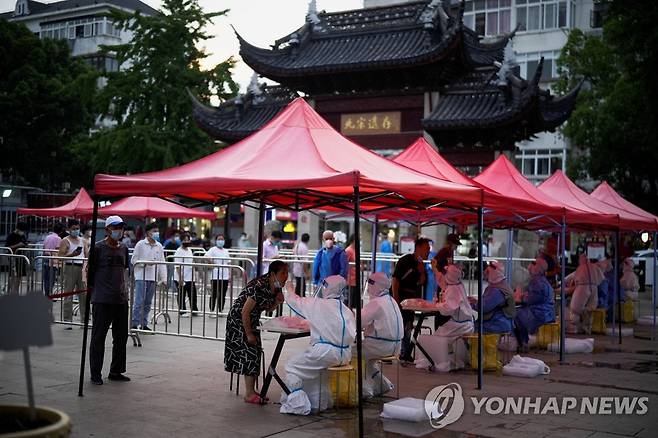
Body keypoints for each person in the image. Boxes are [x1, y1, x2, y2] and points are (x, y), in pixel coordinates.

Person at [281, 275, 356, 414]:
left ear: (326, 288)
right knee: (315, 371)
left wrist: (290, 289)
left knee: (292, 366)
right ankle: (319, 403)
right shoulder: (346, 310)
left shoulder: (318, 304)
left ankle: (298, 405)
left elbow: (294, 301)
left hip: (325, 352)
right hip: (345, 354)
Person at [224, 260, 286, 404]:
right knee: (249, 352)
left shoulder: (277, 287)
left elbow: (268, 308)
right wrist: (249, 334)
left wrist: (277, 302)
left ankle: (251, 391)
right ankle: (249, 394)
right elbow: (245, 312)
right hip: (239, 319)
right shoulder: (259, 285)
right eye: (283, 273)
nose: (286, 276)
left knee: (255, 352)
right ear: (272, 274)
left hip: (252, 320)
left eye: (287, 273)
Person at [89, 215, 131, 385]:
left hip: (120, 299)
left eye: (121, 228)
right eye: (115, 228)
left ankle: (116, 370)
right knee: (98, 337)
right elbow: (90, 272)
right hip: (102, 299)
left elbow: (125, 271)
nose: (119, 231)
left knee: (121, 337)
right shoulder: (98, 248)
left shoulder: (124, 248)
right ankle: (95, 373)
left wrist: (125, 291)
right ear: (107, 230)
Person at [360, 272, 403, 397]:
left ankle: (363, 391)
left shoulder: (376, 303)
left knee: (351, 355)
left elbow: (359, 322)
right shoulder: (392, 301)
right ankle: (383, 385)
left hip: (380, 346)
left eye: (370, 284)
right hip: (396, 347)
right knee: (369, 363)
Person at [392, 237, 430, 363]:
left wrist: (422, 271)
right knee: (400, 325)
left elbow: (421, 282)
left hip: (411, 299)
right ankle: (397, 351)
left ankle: (405, 353)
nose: (428, 252)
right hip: (400, 295)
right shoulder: (404, 260)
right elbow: (395, 280)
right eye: (426, 249)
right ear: (418, 248)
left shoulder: (421, 265)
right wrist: (396, 300)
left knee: (409, 324)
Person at [431, 264, 477, 372]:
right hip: (466, 323)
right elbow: (442, 281)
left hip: (460, 325)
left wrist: (436, 305)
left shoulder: (452, 289)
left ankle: (442, 362)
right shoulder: (458, 285)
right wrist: (435, 269)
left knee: (436, 336)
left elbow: (448, 310)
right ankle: (452, 360)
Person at [514, 258, 555, 351]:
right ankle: (523, 342)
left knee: (515, 314)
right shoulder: (541, 281)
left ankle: (523, 343)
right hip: (546, 313)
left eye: (533, 264)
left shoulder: (537, 282)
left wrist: (520, 297)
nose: (530, 266)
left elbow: (531, 299)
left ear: (538, 268)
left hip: (540, 315)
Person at [131, 223, 166, 330]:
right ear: (148, 232)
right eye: (154, 231)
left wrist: (163, 278)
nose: (156, 233)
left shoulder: (159, 246)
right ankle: (134, 323)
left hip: (152, 277)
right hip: (141, 277)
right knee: (138, 302)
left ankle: (144, 323)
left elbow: (162, 263)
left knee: (148, 302)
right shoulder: (140, 244)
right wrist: (144, 263)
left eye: (157, 231)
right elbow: (133, 260)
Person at [565, 254, 604, 334]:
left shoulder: (580, 268)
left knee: (575, 309)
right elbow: (602, 278)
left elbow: (568, 278)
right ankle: (587, 328)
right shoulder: (595, 267)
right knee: (590, 309)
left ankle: (574, 328)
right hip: (594, 288)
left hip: (582, 289)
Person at [59, 219, 87, 327]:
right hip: (70, 267)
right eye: (73, 229)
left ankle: (84, 320)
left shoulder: (83, 240)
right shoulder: (65, 241)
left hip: (82, 267)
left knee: (83, 295)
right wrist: (72, 255)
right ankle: (67, 320)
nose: (76, 230)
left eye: (77, 228)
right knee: (68, 293)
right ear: (69, 229)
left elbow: (86, 254)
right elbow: (60, 257)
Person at [477, 261, 516, 334]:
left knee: (472, 329)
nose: (485, 273)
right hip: (498, 321)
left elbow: (484, 307)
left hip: (497, 324)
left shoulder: (496, 291)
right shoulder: (500, 285)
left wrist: (471, 304)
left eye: (487, 272)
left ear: (493, 274)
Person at [205, 233, 232, 315]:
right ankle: (212, 310)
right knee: (214, 293)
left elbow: (229, 263)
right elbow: (205, 256)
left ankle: (220, 309)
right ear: (216, 241)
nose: (221, 241)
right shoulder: (212, 249)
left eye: (222, 239)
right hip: (215, 275)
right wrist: (212, 262)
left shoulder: (226, 251)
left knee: (223, 294)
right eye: (219, 239)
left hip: (225, 276)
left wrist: (230, 274)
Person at [174, 234, 198, 317]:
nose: (187, 241)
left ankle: (194, 310)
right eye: (185, 240)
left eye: (188, 240)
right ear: (181, 241)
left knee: (193, 294)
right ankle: (182, 311)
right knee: (182, 295)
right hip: (181, 276)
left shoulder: (189, 250)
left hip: (190, 277)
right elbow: (177, 266)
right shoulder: (179, 251)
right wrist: (180, 278)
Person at [5, 222, 29, 294]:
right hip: (14, 257)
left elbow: (25, 243)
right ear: (18, 229)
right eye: (22, 230)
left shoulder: (22, 236)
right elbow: (8, 247)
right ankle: (12, 291)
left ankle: (15, 290)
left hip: (21, 258)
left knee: (20, 275)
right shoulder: (11, 236)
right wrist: (18, 245)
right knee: (13, 274)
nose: (23, 232)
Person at [42, 222, 64, 296]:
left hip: (45, 257)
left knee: (46, 278)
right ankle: (49, 293)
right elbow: (57, 250)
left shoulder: (47, 237)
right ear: (61, 231)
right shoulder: (58, 238)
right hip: (53, 258)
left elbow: (44, 247)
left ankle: (47, 293)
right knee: (52, 278)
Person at [344, 235, 358, 307]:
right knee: (349, 301)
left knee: (353, 302)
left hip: (355, 279)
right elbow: (344, 264)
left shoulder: (355, 250)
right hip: (350, 280)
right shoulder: (348, 250)